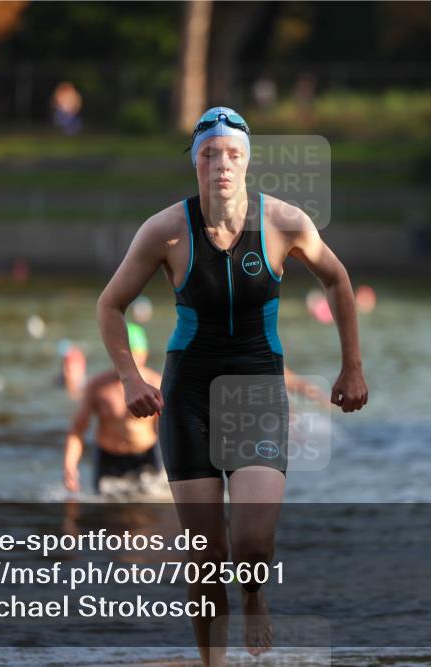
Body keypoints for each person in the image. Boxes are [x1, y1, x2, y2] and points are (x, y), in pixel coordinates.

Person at [95, 106, 368, 664]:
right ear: (195, 162)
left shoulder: (284, 222)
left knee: (250, 544)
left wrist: (352, 366)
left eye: (232, 154)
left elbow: (338, 279)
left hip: (257, 390)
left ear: (248, 161)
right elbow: (110, 304)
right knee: (205, 553)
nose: (220, 164)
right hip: (188, 394)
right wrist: (129, 376)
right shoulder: (167, 230)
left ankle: (255, 595)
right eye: (208, 154)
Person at [63, 323, 165, 496]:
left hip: (146, 457)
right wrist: (69, 466)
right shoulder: (98, 387)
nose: (131, 363)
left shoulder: (156, 384)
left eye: (135, 356)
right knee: (108, 518)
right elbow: (77, 431)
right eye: (125, 357)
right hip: (109, 460)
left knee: (149, 516)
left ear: (144, 354)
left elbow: (170, 430)